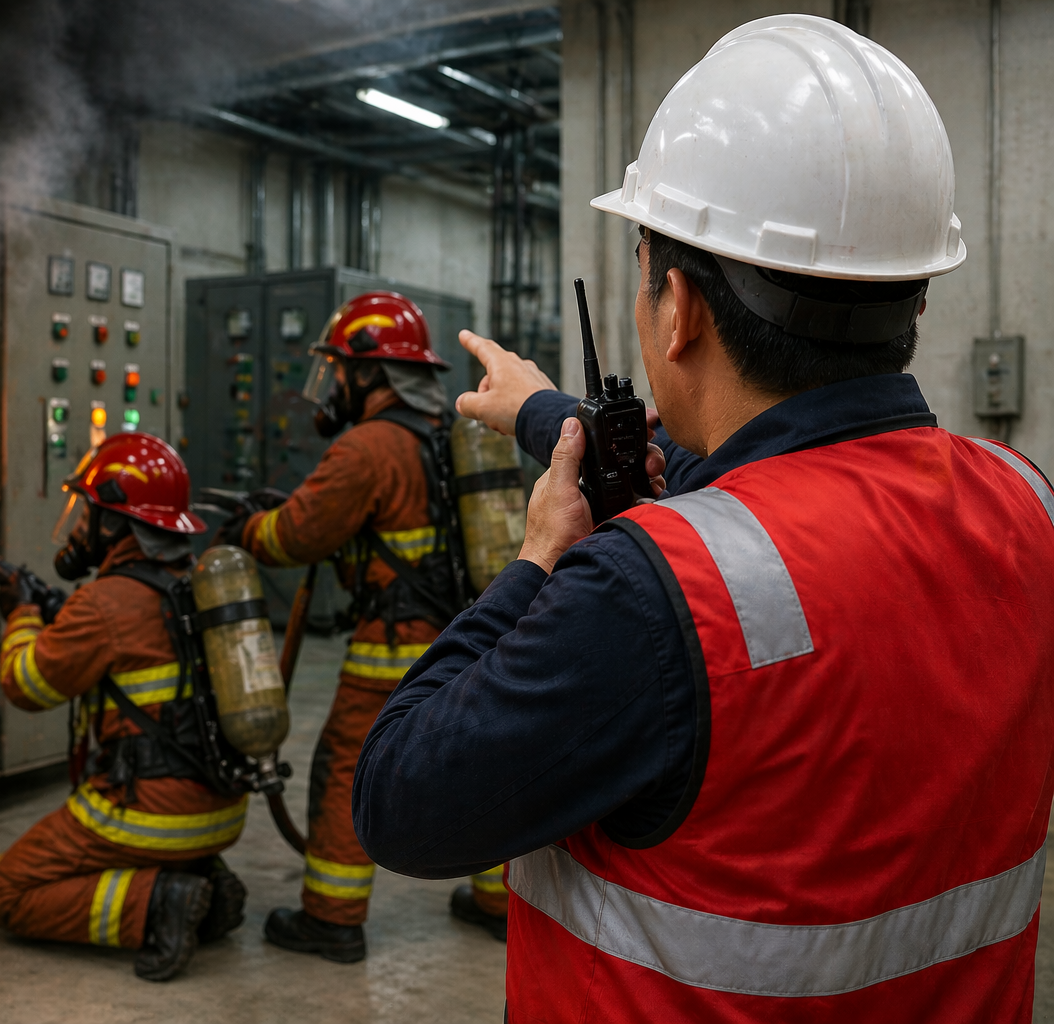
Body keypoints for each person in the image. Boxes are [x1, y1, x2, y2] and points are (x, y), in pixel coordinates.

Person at [353, 15, 1054, 1023]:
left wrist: (542, 556)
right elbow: (741, 469)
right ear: (911, 300)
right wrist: (549, 414)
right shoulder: (1022, 500)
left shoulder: (646, 593)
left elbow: (399, 800)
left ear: (676, 308)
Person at [218, 291, 505, 959]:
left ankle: (331, 918)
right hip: (466, 639)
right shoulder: (445, 437)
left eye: (341, 369)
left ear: (372, 374)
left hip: (392, 651)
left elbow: (296, 535)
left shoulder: (367, 447)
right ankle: (499, 901)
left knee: (347, 767)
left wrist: (246, 530)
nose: (334, 384)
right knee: (472, 766)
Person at [0, 432, 250, 982]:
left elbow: (25, 686)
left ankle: (160, 904)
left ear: (118, 525)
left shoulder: (103, 603)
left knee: (9, 891)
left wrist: (23, 615)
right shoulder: (195, 580)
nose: (80, 527)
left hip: (153, 814)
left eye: (89, 513)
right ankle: (200, 879)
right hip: (221, 812)